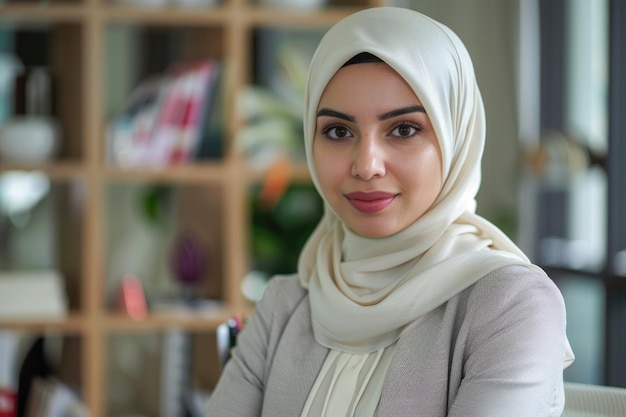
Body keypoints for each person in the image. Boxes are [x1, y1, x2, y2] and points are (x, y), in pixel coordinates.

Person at [207, 6, 574, 416]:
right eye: (338, 131)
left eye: (403, 129)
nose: (366, 166)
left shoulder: (510, 304)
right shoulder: (286, 305)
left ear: (456, 138)